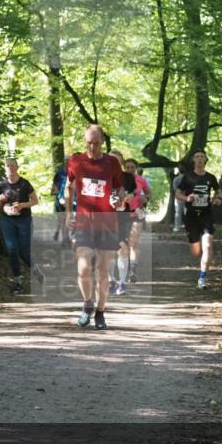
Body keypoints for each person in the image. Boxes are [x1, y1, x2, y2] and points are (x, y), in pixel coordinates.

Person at [66, 125, 125, 329]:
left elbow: (120, 188)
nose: (93, 147)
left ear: (102, 142)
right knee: (83, 268)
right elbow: (69, 188)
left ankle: (100, 312)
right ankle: (87, 305)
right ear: (85, 142)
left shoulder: (112, 163)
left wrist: (119, 199)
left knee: (102, 271)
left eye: (97, 143)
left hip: (107, 223)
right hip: (84, 222)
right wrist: (67, 214)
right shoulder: (75, 162)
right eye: (89, 143)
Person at [0, 156, 45, 293]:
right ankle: (18, 282)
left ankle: (37, 272)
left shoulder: (24, 184)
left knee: (24, 253)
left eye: (12, 166)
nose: (10, 168)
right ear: (5, 168)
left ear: (17, 168)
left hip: (24, 220)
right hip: (7, 220)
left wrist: (22, 205)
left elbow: (35, 201)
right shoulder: (2, 184)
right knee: (12, 250)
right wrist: (0, 202)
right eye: (7, 166)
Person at [176, 149, 222, 289]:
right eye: (197, 157)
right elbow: (178, 194)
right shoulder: (187, 177)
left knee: (207, 246)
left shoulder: (211, 177)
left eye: (202, 157)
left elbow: (218, 190)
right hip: (191, 216)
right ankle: (199, 259)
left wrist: (217, 198)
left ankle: (202, 278)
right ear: (193, 160)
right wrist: (186, 198)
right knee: (196, 250)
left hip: (206, 214)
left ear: (206, 160)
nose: (200, 159)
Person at [106, 150, 136, 296]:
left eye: (117, 161)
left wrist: (130, 196)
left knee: (122, 246)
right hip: (104, 217)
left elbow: (135, 193)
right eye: (112, 160)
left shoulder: (128, 177)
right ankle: (111, 280)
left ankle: (122, 283)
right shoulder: (101, 176)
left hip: (122, 216)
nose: (114, 163)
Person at [124, 158, 149, 284]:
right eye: (127, 167)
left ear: (136, 168)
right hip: (123, 214)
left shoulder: (141, 180)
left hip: (138, 212)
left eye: (132, 167)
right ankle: (126, 266)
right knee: (125, 244)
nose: (129, 170)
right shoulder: (120, 180)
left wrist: (145, 198)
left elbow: (149, 194)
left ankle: (133, 271)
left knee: (134, 242)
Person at [50, 157, 71, 245]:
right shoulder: (60, 173)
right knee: (62, 219)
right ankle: (65, 238)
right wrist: (56, 192)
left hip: (71, 200)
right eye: (66, 162)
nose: (68, 163)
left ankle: (68, 237)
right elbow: (54, 185)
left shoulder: (75, 172)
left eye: (69, 162)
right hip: (60, 200)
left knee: (69, 219)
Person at [171, 165, 186, 233]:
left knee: (178, 213)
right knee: (188, 212)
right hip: (187, 197)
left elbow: (174, 189)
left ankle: (177, 227)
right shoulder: (188, 178)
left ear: (179, 171)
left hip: (178, 198)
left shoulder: (176, 179)